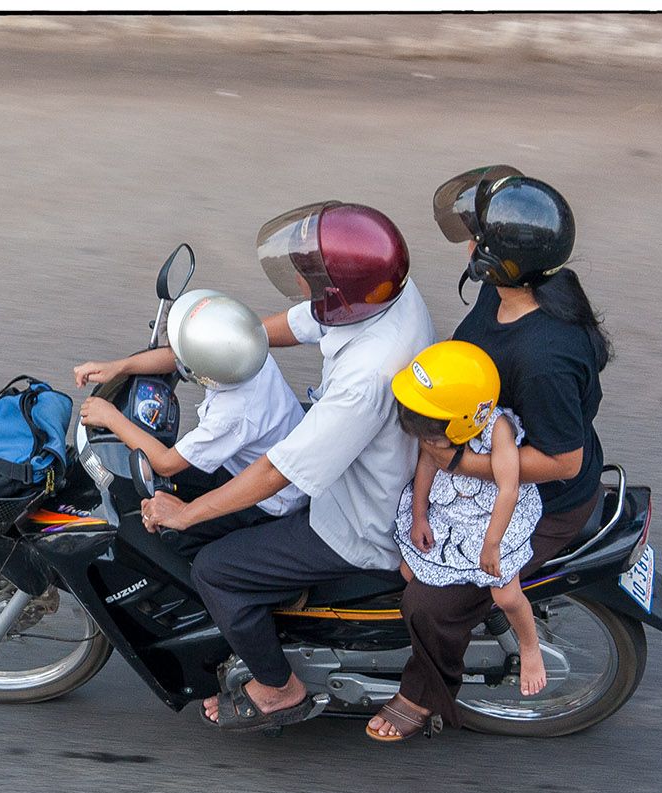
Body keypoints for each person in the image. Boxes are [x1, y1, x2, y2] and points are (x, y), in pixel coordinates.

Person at [138, 201, 437, 731]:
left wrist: (186, 515)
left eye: (311, 274)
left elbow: (277, 474)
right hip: (356, 460)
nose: (301, 278)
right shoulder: (387, 292)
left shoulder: (366, 378)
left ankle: (279, 688)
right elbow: (279, 329)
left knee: (217, 570)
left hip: (353, 517)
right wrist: (221, 342)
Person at [367, 167, 613, 740]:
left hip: (538, 497)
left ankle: (422, 693)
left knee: (428, 604)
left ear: (502, 259)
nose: (470, 246)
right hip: (474, 445)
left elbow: (563, 463)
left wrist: (457, 463)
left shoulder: (545, 356)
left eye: (479, 240)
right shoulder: (504, 290)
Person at [73, 290, 309, 551]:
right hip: (248, 460)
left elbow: (165, 463)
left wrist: (110, 416)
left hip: (269, 500)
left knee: (164, 534)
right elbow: (178, 359)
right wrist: (119, 367)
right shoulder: (244, 352)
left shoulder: (231, 413)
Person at [386, 341, 547, 723]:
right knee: (410, 571)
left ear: (463, 423)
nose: (431, 445)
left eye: (437, 438)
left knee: (505, 593)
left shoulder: (499, 430)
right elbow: (428, 463)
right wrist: (419, 516)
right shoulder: (437, 423)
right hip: (453, 507)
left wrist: (492, 546)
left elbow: (508, 487)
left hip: (496, 516)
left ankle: (529, 645)